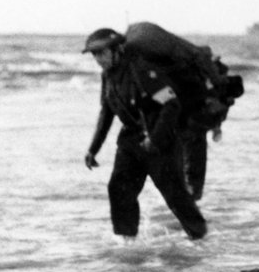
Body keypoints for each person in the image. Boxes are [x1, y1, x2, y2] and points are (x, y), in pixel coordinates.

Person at [82, 28, 207, 241]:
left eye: (101, 53)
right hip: (130, 140)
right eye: (94, 54)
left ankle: (201, 237)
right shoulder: (108, 76)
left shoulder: (142, 71)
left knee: (175, 195)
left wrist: (155, 139)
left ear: (117, 49)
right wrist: (93, 149)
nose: (98, 59)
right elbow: (107, 112)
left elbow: (171, 105)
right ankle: (127, 242)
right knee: (119, 190)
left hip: (160, 140)